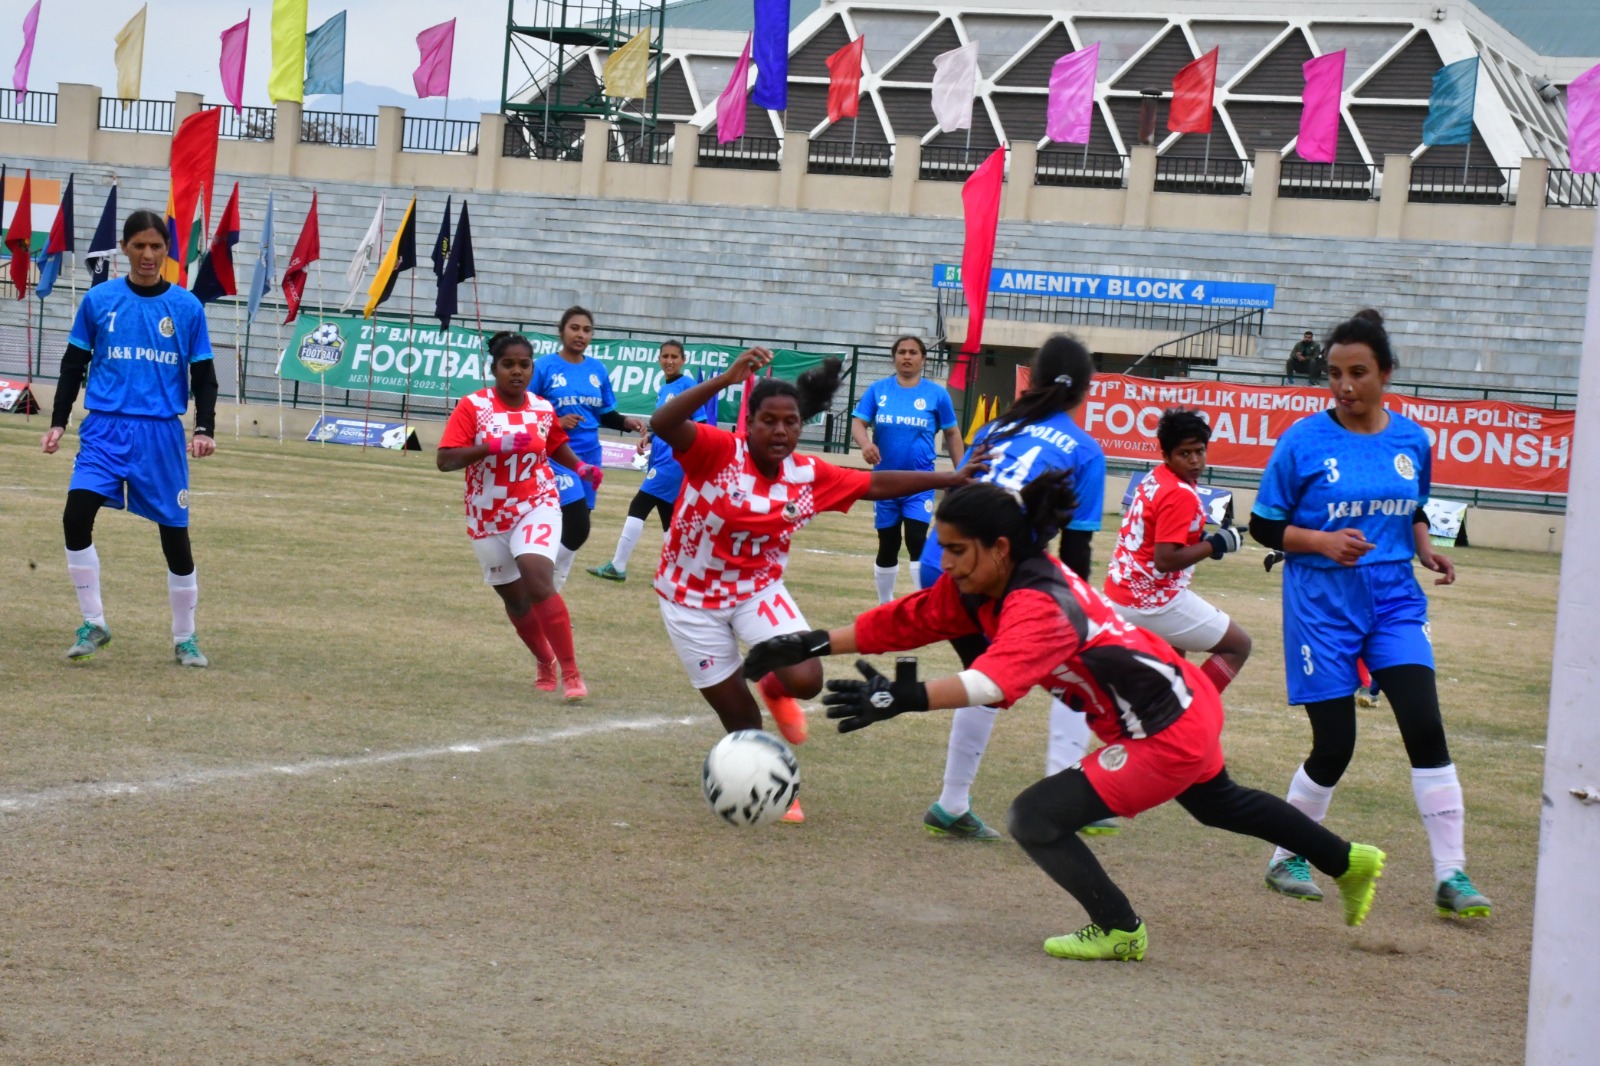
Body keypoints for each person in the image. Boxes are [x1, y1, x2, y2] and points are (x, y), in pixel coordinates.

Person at [742, 472, 1386, 961]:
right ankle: (1348, 860)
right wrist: (810, 642)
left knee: (1035, 816)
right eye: (943, 548)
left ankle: (1119, 929)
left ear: (998, 548)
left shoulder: (1039, 601)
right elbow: (907, 620)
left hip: (1163, 730)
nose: (948, 562)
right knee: (1220, 803)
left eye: (957, 550)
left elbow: (992, 682)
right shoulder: (990, 579)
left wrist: (902, 697)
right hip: (1178, 705)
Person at [649, 347, 983, 824]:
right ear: (749, 423)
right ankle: (770, 784)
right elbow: (663, 423)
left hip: (756, 590)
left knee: (807, 681)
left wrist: (950, 477)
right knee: (739, 715)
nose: (780, 431)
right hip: (689, 599)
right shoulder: (717, 452)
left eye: (790, 422)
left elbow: (874, 484)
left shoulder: (807, 475)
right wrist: (724, 380)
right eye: (768, 421)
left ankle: (775, 685)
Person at [1249, 309, 1490, 919]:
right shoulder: (1303, 440)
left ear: (1386, 373)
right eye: (1334, 374)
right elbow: (1263, 525)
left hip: (1394, 598)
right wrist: (1322, 541)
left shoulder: (1412, 439)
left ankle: (1452, 875)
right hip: (1321, 602)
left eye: (1357, 373)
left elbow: (1413, 506)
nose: (1344, 385)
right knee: (1336, 745)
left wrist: (1425, 548)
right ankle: (1286, 856)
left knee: (1425, 726)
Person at [912, 335, 1107, 840]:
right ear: (1084, 391)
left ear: (1032, 380)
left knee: (986, 679)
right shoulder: (1085, 449)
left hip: (938, 560)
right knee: (1072, 667)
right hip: (988, 572)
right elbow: (1077, 550)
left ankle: (952, 805)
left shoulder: (997, 427)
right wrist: (1074, 619)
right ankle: (1063, 802)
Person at [40, 209, 219, 667]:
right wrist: (58, 421)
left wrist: (204, 428)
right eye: (139, 245)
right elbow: (72, 365)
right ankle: (94, 622)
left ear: (167, 250)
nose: (147, 254)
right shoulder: (99, 300)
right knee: (75, 517)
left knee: (175, 539)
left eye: (156, 246)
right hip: (104, 429)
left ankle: (185, 638)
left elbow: (204, 376)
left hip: (160, 435)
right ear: (124, 248)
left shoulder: (186, 307)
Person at [437, 332, 605, 701]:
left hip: (537, 503)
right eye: (508, 364)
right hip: (487, 516)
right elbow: (445, 460)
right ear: (494, 368)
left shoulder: (542, 408)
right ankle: (545, 660)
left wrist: (580, 468)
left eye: (524, 364)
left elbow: (555, 443)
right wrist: (493, 446)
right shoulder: (473, 406)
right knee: (515, 601)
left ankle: (572, 673)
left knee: (536, 576)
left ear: (532, 368)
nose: (517, 371)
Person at [1103, 408, 1252, 693]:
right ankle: (1193, 710)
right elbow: (1165, 559)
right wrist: (1215, 544)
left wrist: (1204, 540)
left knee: (1172, 674)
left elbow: (1160, 532)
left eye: (1200, 451)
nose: (1195, 460)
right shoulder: (1179, 492)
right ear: (1166, 455)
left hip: (1122, 591)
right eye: (1185, 453)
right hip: (1152, 601)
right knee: (1238, 646)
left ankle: (1164, 714)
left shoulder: (1157, 477)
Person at [529, 306, 647, 590]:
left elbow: (604, 413)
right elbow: (527, 411)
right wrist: (556, 422)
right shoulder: (544, 367)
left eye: (586, 330)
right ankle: (536, 577)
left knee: (576, 530)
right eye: (574, 328)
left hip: (590, 457)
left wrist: (625, 422)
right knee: (573, 523)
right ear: (561, 331)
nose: (580, 334)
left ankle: (551, 592)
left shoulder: (597, 369)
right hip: (557, 456)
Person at [850, 335, 963, 603]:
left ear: (923, 359)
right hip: (885, 483)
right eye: (902, 352)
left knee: (916, 540)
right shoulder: (878, 390)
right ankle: (885, 605)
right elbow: (858, 423)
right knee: (888, 543)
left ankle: (925, 604)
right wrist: (865, 444)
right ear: (894, 357)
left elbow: (952, 434)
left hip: (920, 484)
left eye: (913, 352)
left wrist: (961, 473)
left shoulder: (937, 394)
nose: (907, 357)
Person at [587, 340, 709, 582]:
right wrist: (651, 437)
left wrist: (685, 456)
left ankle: (618, 566)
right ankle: (677, 575)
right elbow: (669, 424)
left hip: (672, 462)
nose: (669, 361)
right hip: (661, 459)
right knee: (668, 518)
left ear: (683, 360)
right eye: (665, 356)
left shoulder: (688, 386)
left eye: (674, 356)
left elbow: (701, 424)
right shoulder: (665, 388)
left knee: (639, 505)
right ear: (659, 359)